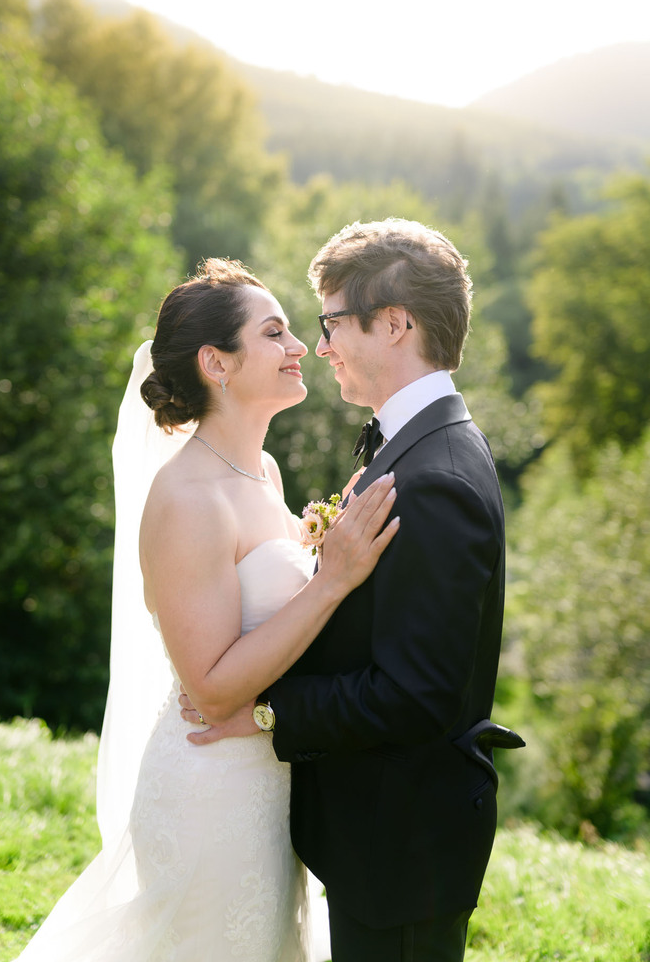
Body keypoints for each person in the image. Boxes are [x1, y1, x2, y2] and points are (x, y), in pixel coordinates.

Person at [0, 257, 398, 962]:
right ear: (217, 362)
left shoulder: (265, 472)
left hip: (272, 782)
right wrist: (329, 581)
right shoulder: (186, 499)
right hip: (210, 793)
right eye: (275, 333)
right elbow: (211, 689)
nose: (301, 346)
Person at [186, 222, 523, 962]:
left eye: (333, 322)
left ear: (397, 324)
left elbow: (417, 694)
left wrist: (267, 712)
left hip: (403, 843)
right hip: (381, 831)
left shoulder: (431, 478)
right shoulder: (415, 442)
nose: (323, 344)